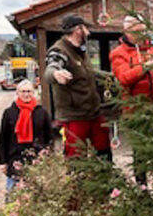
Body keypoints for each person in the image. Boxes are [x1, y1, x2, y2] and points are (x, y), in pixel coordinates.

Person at [44, 13, 111, 159]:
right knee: (76, 158)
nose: (88, 32)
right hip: (74, 117)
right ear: (77, 30)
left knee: (104, 151)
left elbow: (88, 72)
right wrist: (56, 74)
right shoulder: (59, 51)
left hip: (94, 113)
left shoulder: (81, 51)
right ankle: (77, 181)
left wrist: (111, 76)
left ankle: (105, 178)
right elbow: (50, 69)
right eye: (86, 28)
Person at [0, 80, 53, 192]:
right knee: (13, 194)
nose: (26, 94)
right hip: (15, 158)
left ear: (33, 93)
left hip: (37, 157)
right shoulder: (9, 113)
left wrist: (48, 156)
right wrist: (3, 162)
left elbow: (49, 137)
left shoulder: (41, 112)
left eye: (29, 91)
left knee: (37, 193)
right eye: (23, 91)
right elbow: (3, 138)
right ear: (17, 93)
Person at [109, 15, 153, 103]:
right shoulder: (118, 53)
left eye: (143, 31)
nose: (141, 35)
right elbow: (123, 79)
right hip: (135, 107)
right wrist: (145, 67)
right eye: (137, 32)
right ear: (126, 32)